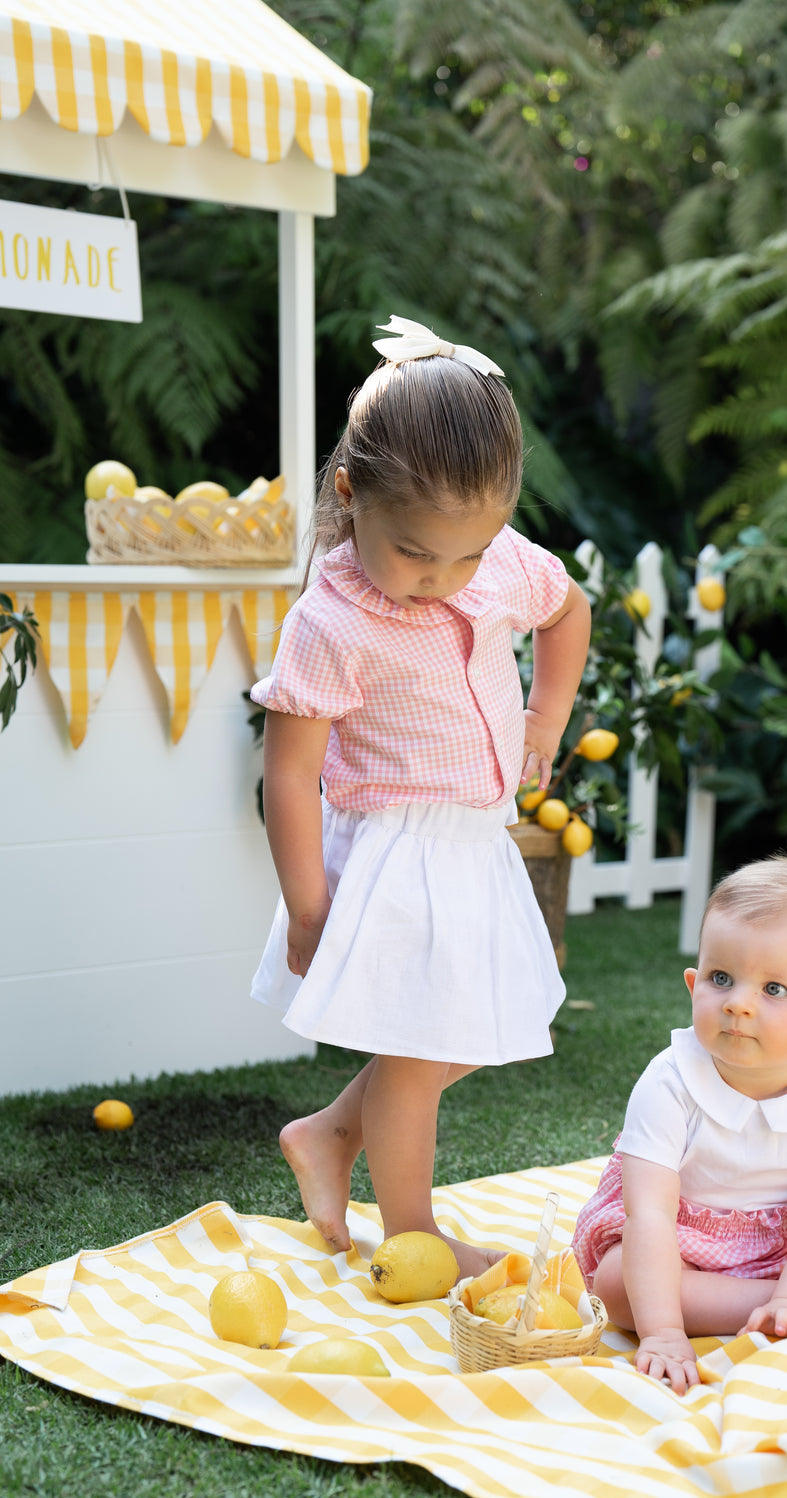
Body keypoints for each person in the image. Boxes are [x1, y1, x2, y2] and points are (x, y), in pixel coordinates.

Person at [250, 316, 591, 1277]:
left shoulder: (499, 563)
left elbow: (568, 611)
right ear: (351, 495)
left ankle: (326, 1134)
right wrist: (310, 903)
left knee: (473, 1025)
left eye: (467, 558)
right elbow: (288, 771)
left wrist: (546, 718)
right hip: (396, 849)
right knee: (417, 1053)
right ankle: (412, 1235)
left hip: (475, 840)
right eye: (415, 555)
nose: (442, 581)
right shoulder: (330, 620)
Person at [572, 856, 787, 1393]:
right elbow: (649, 1214)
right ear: (694, 986)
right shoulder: (671, 1079)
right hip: (680, 1235)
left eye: (773, 989)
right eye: (721, 978)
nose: (737, 1003)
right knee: (618, 1286)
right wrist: (663, 1331)